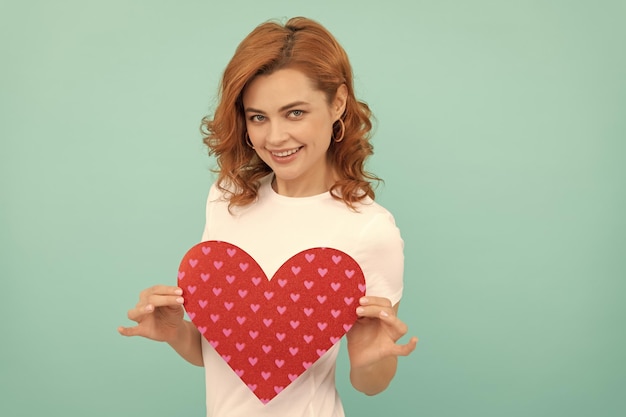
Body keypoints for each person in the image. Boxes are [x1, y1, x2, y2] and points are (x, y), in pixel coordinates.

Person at [118, 16, 417, 417]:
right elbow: (230, 357)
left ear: (338, 103)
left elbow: (371, 384)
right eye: (258, 116)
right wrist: (176, 334)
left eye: (294, 113)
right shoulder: (226, 200)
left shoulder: (368, 228)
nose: (274, 137)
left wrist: (368, 359)